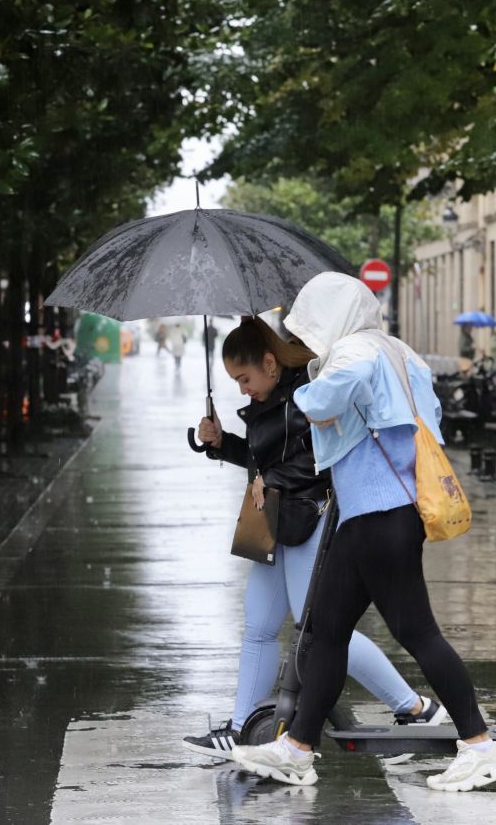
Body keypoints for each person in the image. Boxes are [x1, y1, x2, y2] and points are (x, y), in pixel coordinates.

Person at [231, 273, 496, 793]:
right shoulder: (402, 353)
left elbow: (319, 402)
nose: (307, 336)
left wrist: (310, 384)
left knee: (417, 633)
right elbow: (430, 416)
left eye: (310, 324)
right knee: (325, 631)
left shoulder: (355, 352)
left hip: (381, 516)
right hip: (366, 518)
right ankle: (297, 748)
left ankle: (479, 745)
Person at [183, 317, 444, 761]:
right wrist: (219, 442)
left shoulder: (310, 390)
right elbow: (262, 459)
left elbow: (322, 460)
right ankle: (242, 728)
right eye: (235, 381)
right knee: (259, 627)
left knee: (322, 632)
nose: (242, 389)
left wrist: (272, 477)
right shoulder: (267, 398)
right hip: (276, 522)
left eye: (244, 378)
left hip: (311, 520)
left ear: (269, 363)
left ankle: (416, 707)